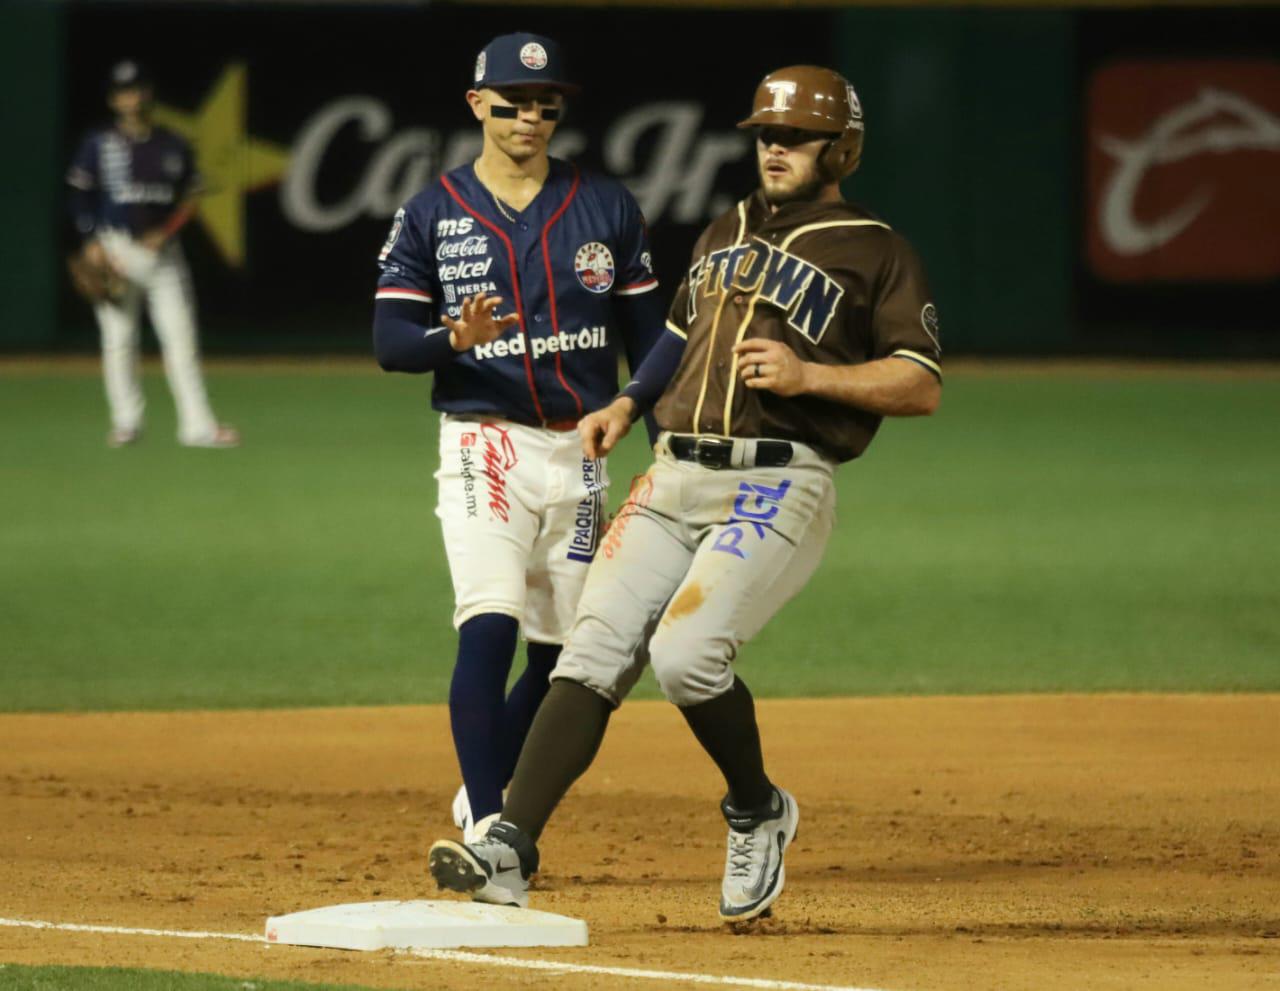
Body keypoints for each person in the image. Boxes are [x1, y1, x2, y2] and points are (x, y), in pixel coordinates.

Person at [427, 65, 943, 922]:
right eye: (765, 135)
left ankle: (756, 808)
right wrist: (628, 404)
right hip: (673, 475)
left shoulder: (875, 248)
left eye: (795, 137)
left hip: (777, 481)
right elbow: (674, 337)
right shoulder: (722, 231)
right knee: (590, 655)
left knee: (686, 656)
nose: (774, 149)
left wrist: (811, 372)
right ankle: (508, 848)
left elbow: (918, 382)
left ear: (841, 148)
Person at [372, 33, 665, 871]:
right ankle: (490, 829)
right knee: (489, 620)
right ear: (476, 107)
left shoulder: (605, 204)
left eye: (545, 105)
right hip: (483, 441)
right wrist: (448, 336)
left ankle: (482, 786)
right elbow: (392, 341)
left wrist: (633, 402)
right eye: (511, 103)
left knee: (567, 654)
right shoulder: (434, 212)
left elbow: (656, 341)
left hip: (581, 447)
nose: (529, 118)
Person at [65, 60, 239, 449]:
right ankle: (126, 422)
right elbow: (79, 195)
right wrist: (91, 241)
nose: (133, 97)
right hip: (115, 249)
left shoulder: (173, 143)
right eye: (125, 91)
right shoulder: (98, 143)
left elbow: (193, 196)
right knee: (119, 339)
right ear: (114, 100)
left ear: (149, 93)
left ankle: (197, 426)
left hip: (163, 256)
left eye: (138, 88)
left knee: (181, 340)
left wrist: (168, 231)